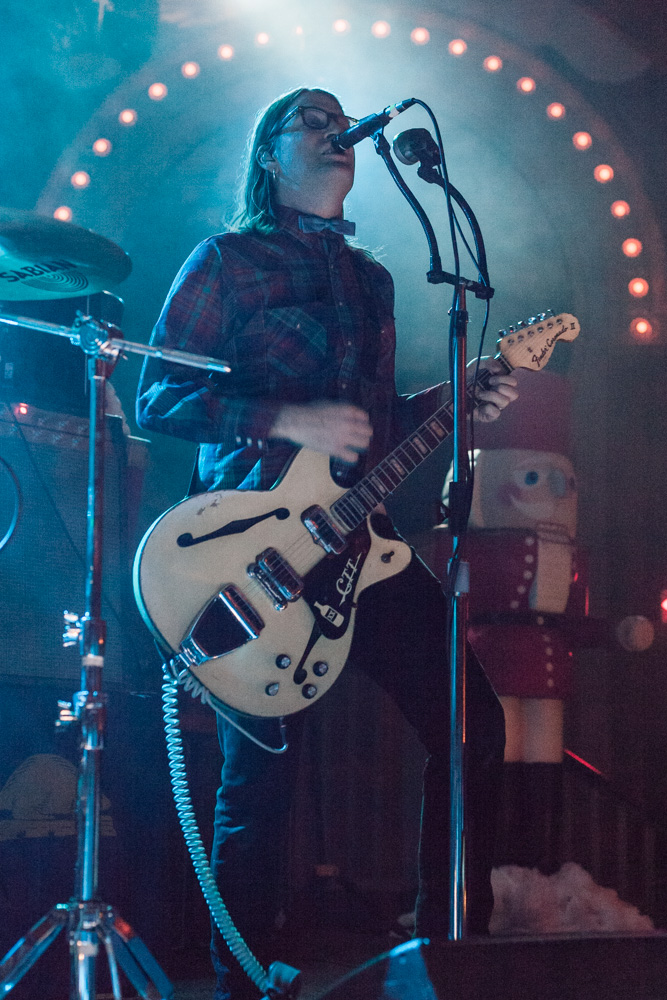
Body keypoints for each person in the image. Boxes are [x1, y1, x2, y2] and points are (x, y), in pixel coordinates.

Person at [136, 87, 518, 1000]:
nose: (332, 129)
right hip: (253, 553)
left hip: (361, 544)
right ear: (268, 155)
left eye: (337, 117)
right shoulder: (227, 261)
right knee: (261, 786)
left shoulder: (372, 280)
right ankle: (239, 981)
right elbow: (154, 399)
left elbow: (372, 438)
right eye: (308, 119)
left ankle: (448, 956)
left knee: (475, 728)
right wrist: (286, 413)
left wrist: (457, 399)